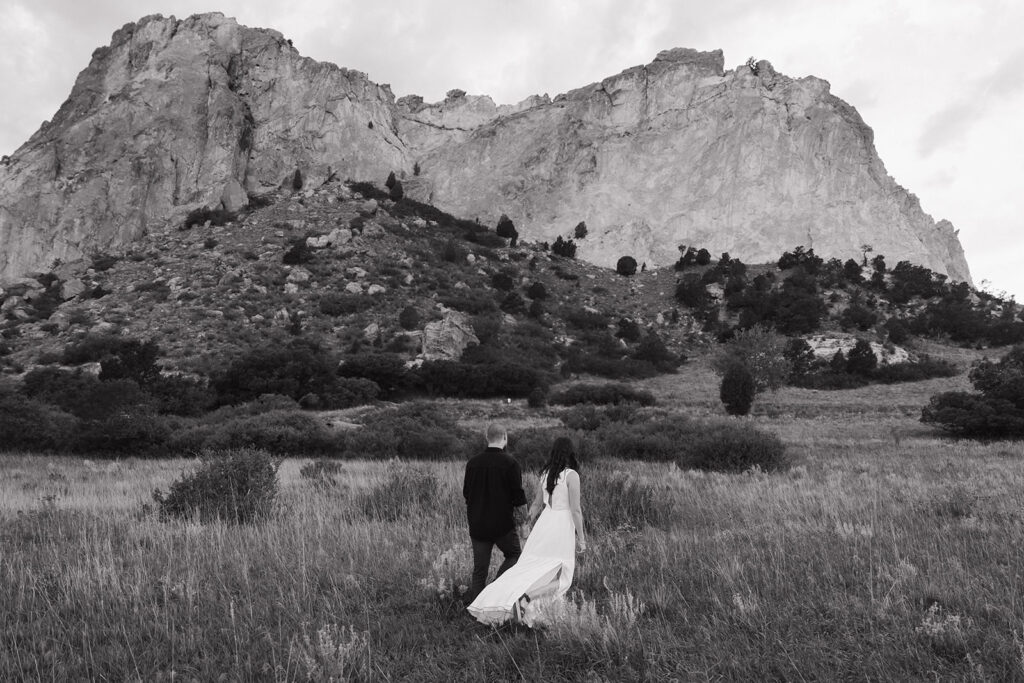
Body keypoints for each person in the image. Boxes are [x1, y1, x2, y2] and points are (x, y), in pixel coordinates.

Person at [467, 436, 586, 625]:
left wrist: (527, 523)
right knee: (564, 574)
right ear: (570, 452)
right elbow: (576, 510)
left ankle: (518, 601)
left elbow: (537, 504)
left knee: (531, 568)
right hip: (562, 526)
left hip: (545, 524)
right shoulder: (572, 475)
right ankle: (527, 598)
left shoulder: (546, 474)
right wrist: (582, 538)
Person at [463, 423, 528, 604]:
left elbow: (466, 493)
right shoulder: (510, 463)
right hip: (502, 526)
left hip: (478, 524)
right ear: (505, 438)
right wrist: (524, 524)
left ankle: (476, 607)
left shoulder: (472, 463)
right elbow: (519, 498)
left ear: (487, 437)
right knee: (514, 554)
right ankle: (492, 591)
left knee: (479, 569)